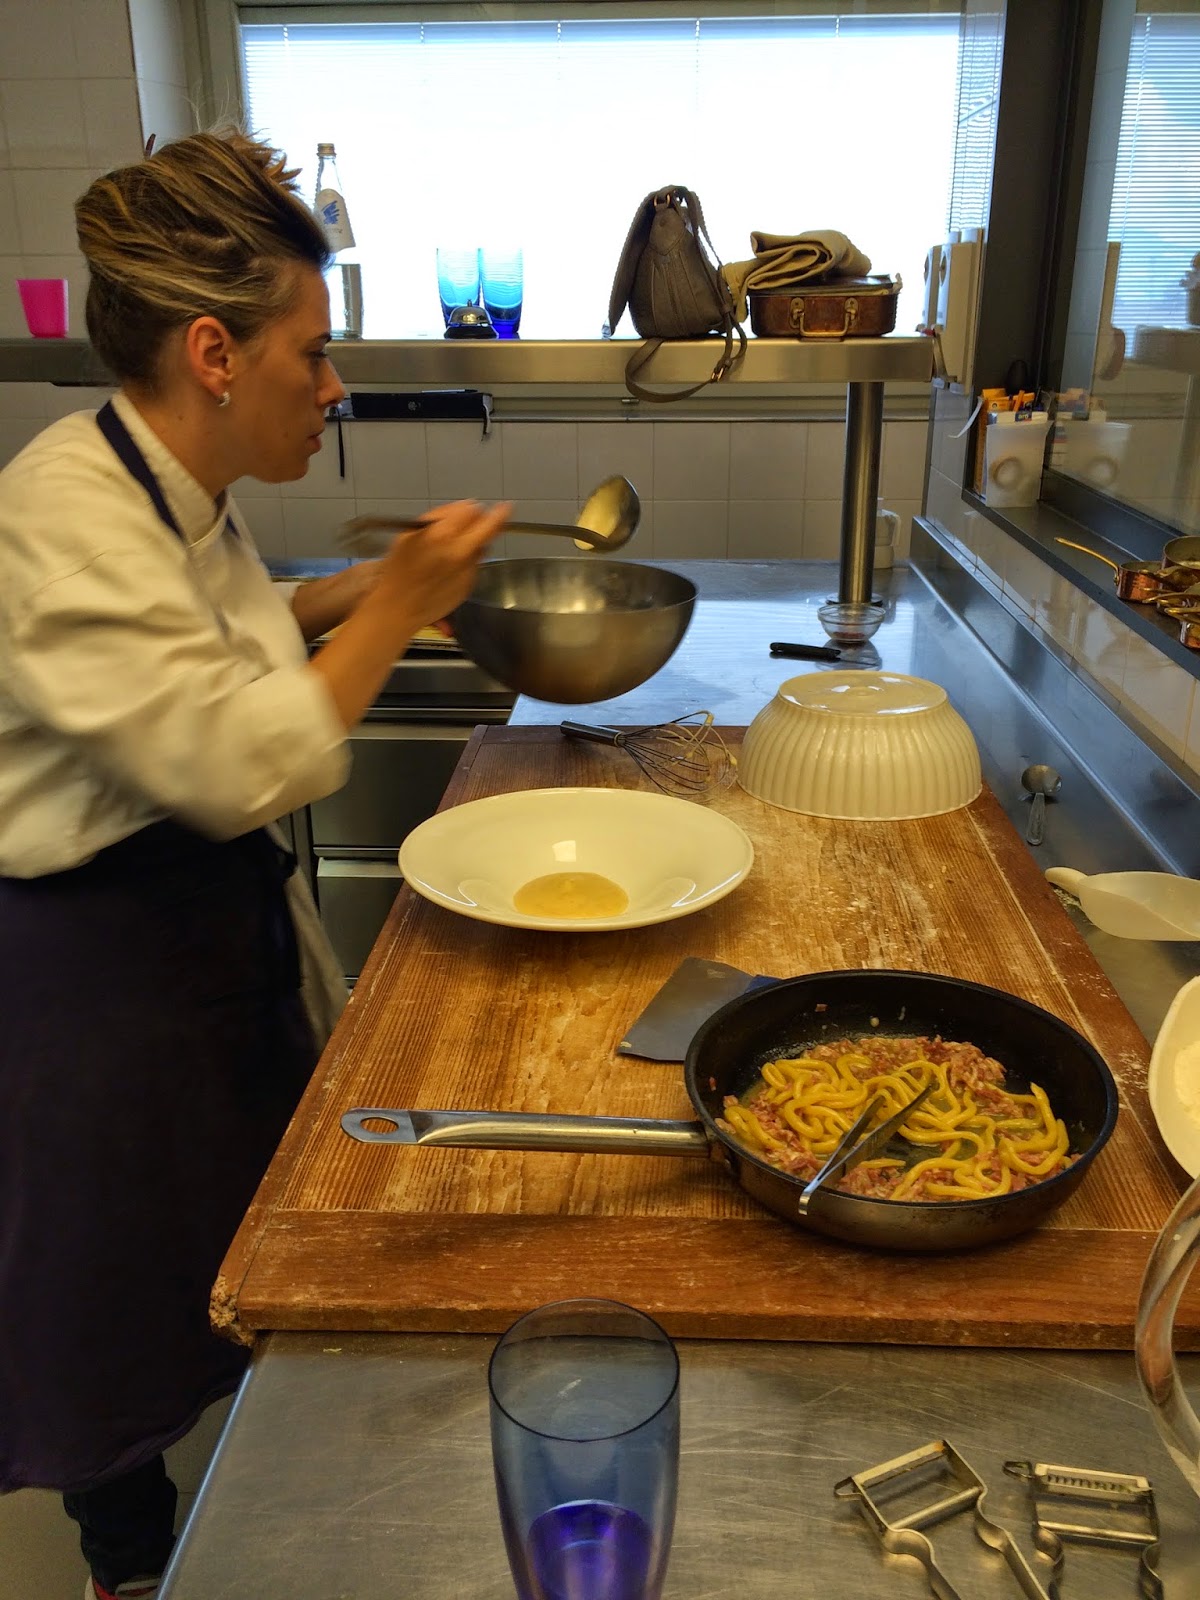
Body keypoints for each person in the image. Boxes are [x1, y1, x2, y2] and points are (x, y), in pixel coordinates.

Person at [0, 130, 509, 1600]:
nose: (334, 386)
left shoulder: (171, 480)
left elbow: (207, 644)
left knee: (236, 1236)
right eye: (316, 351)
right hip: (87, 975)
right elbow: (233, 759)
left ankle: (270, 1495)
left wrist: (348, 591)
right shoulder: (61, 519)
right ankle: (129, 1564)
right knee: (101, 1292)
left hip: (196, 941)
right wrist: (400, 607)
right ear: (215, 353)